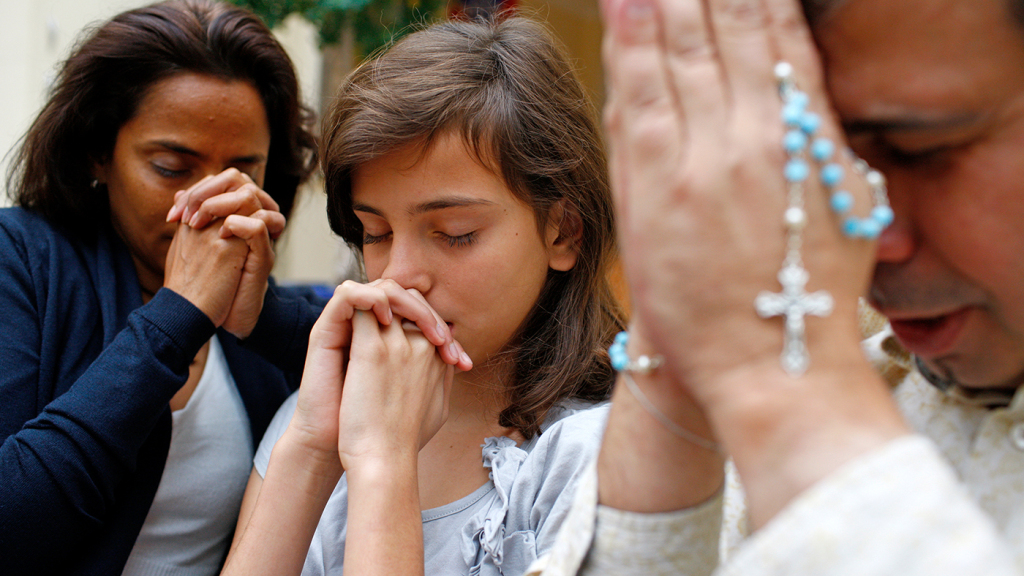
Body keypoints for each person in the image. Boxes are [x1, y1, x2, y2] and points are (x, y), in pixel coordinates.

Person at [524, 0, 1024, 574]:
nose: (852, 238)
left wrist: (792, 408)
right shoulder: (816, 400)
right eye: (800, 174)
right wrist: (675, 375)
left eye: (920, 154)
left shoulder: (799, 403)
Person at [217, 16, 627, 576]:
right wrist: (310, 450)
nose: (399, 275)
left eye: (455, 233)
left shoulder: (603, 454)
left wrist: (383, 463)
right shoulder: (318, 419)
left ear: (564, 232)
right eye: (375, 233)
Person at [0, 1, 356, 573]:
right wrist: (176, 315)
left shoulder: (256, 313)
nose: (211, 203)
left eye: (242, 173)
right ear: (99, 153)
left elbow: (392, 387)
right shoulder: (20, 260)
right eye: (171, 167)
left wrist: (262, 320)